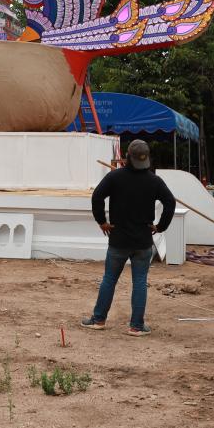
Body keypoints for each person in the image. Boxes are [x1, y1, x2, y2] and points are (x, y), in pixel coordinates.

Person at [82, 139, 176, 336]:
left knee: (109, 279)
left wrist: (102, 221)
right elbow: (170, 202)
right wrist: (160, 227)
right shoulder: (154, 181)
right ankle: (136, 326)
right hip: (143, 241)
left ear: (127, 156)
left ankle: (98, 320)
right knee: (140, 282)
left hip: (119, 240)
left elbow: (97, 196)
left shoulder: (115, 177)